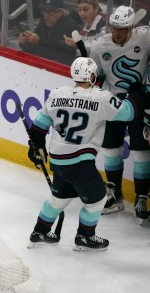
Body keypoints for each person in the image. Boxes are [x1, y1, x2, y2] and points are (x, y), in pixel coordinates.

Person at [26, 57, 143, 251]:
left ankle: (40, 231)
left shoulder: (57, 94)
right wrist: (135, 93)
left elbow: (39, 125)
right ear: (91, 75)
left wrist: (35, 146)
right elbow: (130, 113)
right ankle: (85, 237)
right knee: (98, 200)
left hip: (58, 160)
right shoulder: (101, 97)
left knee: (59, 199)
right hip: (79, 162)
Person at [89, 6, 150, 222]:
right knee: (110, 149)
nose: (118, 34)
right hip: (111, 103)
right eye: (115, 28)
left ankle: (142, 198)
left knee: (142, 152)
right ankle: (114, 194)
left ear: (132, 27)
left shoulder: (145, 39)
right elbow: (94, 76)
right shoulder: (98, 45)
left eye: (123, 29)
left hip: (138, 103)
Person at [18, 0, 78, 65]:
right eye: (44, 13)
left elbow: (61, 55)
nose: (46, 17)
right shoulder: (44, 21)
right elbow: (35, 48)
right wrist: (24, 43)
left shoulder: (70, 26)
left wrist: (39, 41)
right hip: (43, 61)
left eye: (50, 14)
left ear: (60, 13)